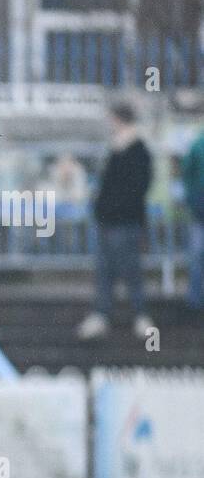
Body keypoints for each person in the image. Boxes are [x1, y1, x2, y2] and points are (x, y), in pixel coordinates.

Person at [77, 103, 154, 340]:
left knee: (128, 270)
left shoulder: (137, 150)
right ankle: (109, 315)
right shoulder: (120, 148)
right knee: (107, 271)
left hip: (124, 223)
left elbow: (134, 189)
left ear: (119, 119)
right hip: (111, 222)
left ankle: (138, 315)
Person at [179, 125, 204, 312]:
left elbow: (186, 173)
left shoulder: (197, 143)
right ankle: (194, 299)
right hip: (199, 208)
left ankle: (194, 299)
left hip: (198, 208)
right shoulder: (197, 143)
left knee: (196, 255)